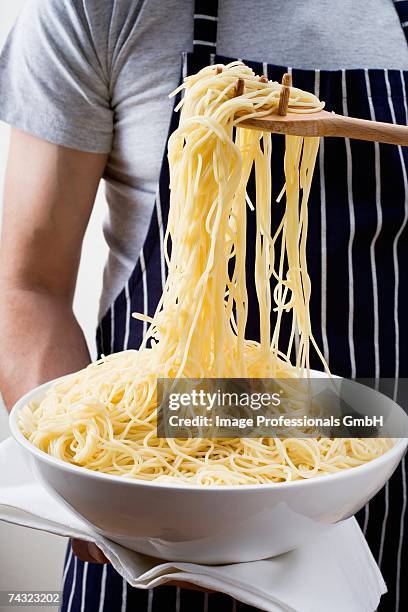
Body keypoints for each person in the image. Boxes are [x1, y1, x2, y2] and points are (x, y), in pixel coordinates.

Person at [0, 1, 407, 610]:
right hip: (158, 485)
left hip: (381, 468)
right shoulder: (98, 9)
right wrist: (89, 492)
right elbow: (24, 285)